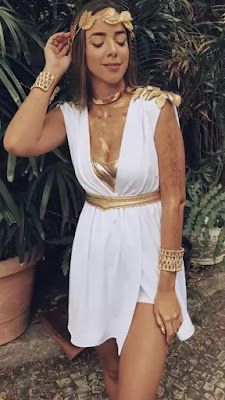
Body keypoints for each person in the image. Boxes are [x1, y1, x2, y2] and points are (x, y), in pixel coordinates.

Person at [3, 1, 195, 399]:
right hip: (97, 259)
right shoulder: (71, 115)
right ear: (79, 52)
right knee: (112, 373)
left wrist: (166, 288)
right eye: (99, 41)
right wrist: (50, 72)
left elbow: (175, 199)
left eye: (120, 40)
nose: (113, 50)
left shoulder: (155, 108)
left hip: (149, 266)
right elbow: (17, 141)